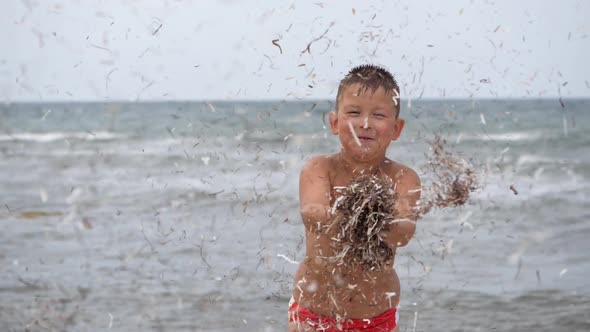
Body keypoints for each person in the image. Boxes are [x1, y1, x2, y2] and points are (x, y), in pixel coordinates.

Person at [288, 64, 421, 332]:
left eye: (379, 115)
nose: (366, 123)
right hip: (315, 314)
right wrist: (354, 215)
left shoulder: (402, 177)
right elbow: (312, 214)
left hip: (376, 317)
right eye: (354, 112)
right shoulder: (320, 168)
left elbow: (404, 231)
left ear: (397, 128)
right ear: (335, 122)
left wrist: (375, 217)